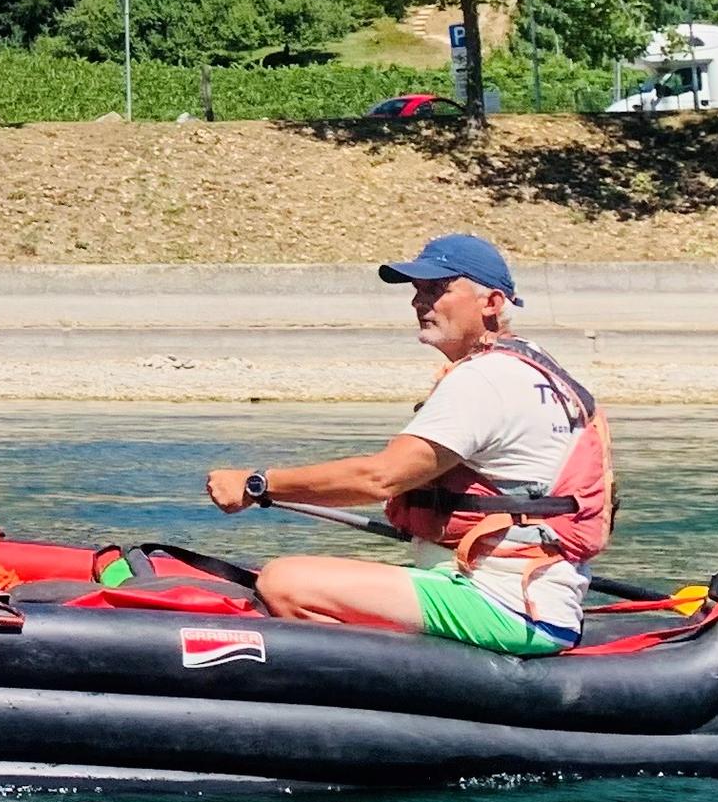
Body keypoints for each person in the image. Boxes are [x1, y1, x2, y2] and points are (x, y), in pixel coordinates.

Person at [202, 232, 614, 653]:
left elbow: (380, 478)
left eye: (439, 289)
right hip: (526, 597)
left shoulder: (487, 379)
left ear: (491, 303)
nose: (421, 302)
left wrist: (258, 484)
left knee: (286, 582)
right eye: (418, 291)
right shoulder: (532, 366)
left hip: (504, 603)